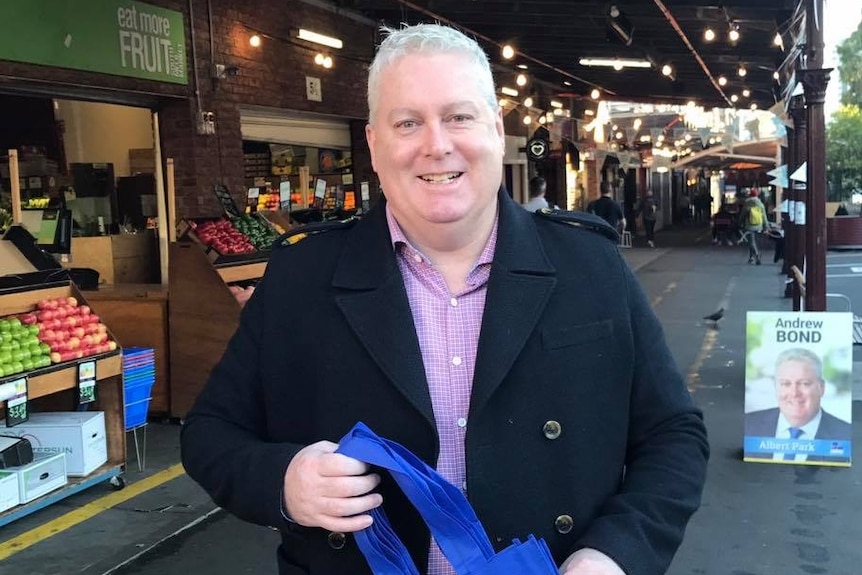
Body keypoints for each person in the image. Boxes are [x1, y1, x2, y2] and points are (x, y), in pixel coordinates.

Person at [181, 23, 709, 575]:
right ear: (373, 144)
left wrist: (614, 555)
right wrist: (285, 483)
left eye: (458, 116)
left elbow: (673, 435)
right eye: (408, 122)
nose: (437, 144)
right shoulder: (302, 277)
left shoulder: (591, 267)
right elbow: (209, 434)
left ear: (494, 128)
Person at [745, 347, 850, 464]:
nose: (794, 393)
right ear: (776, 386)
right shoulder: (747, 425)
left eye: (804, 383)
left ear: (821, 388)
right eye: (785, 383)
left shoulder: (846, 435)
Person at [739, 190, 766, 265]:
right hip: (759, 225)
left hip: (750, 225)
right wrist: (766, 226)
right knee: (753, 241)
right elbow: (764, 216)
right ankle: (751, 258)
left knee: (751, 242)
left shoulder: (747, 204)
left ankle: (757, 255)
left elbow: (743, 215)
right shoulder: (760, 204)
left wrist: (739, 223)